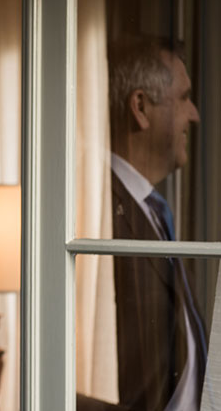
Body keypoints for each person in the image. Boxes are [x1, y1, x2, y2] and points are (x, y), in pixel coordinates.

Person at [108, 40, 204, 410]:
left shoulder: (155, 210)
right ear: (141, 108)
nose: (194, 115)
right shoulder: (98, 207)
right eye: (184, 98)